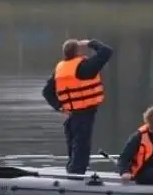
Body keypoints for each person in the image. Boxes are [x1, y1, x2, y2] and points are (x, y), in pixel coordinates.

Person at [42, 38, 114, 174]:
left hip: (71, 114)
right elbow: (106, 51)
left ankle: (72, 170)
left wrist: (59, 106)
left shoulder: (60, 69)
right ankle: (76, 176)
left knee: (74, 148)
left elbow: (47, 92)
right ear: (78, 51)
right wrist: (90, 43)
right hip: (85, 112)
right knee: (81, 147)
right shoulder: (85, 67)